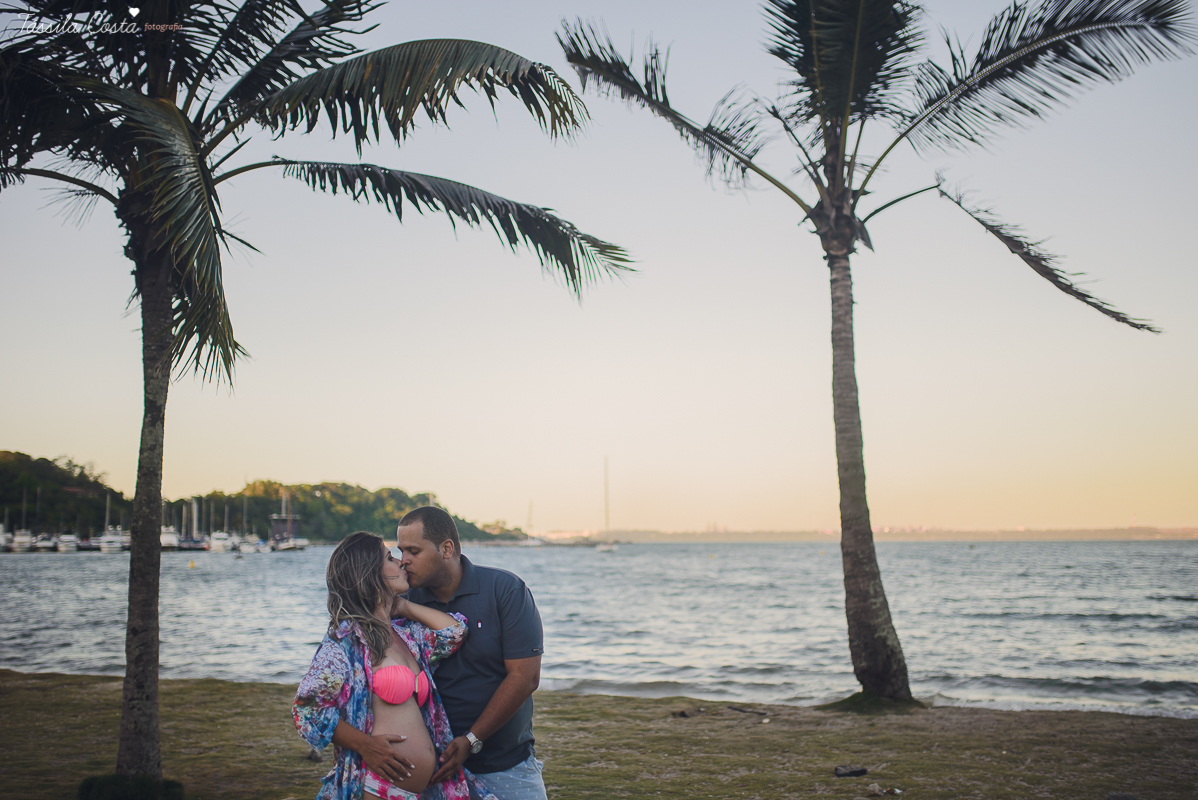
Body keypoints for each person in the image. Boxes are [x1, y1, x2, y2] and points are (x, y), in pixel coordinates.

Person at [293, 531, 494, 800]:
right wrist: (366, 746)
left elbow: (455, 631)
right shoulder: (346, 641)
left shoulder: (407, 636)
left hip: (425, 790)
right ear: (369, 573)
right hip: (375, 787)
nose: (401, 562)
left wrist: (403, 607)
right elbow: (307, 710)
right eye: (389, 557)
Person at [397, 507, 546, 800]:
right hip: (431, 769)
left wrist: (471, 739)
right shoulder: (403, 601)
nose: (404, 561)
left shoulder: (504, 589)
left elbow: (525, 677)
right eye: (400, 551)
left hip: (505, 764)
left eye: (413, 551)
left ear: (446, 549)